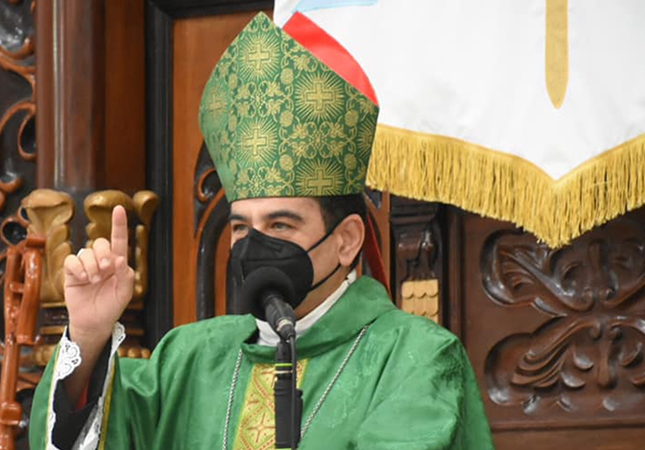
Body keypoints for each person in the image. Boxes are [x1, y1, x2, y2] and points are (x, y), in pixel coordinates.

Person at [30, 12, 494, 450]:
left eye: (281, 224)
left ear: (347, 240)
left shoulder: (413, 359)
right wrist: (88, 337)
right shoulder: (187, 359)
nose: (254, 246)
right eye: (240, 227)